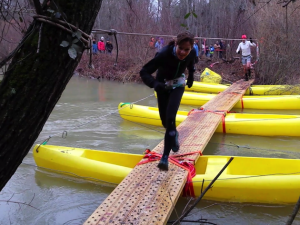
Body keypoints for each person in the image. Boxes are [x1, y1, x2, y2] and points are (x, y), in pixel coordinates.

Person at [140, 32, 196, 171]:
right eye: (180, 48)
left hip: (178, 86)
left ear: (191, 48)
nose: (183, 52)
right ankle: (174, 133)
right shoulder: (163, 54)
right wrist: (154, 84)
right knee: (165, 122)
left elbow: (191, 64)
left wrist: (191, 77)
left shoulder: (192, 52)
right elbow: (144, 71)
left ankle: (164, 158)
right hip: (162, 86)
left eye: (186, 50)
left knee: (171, 118)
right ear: (175, 45)